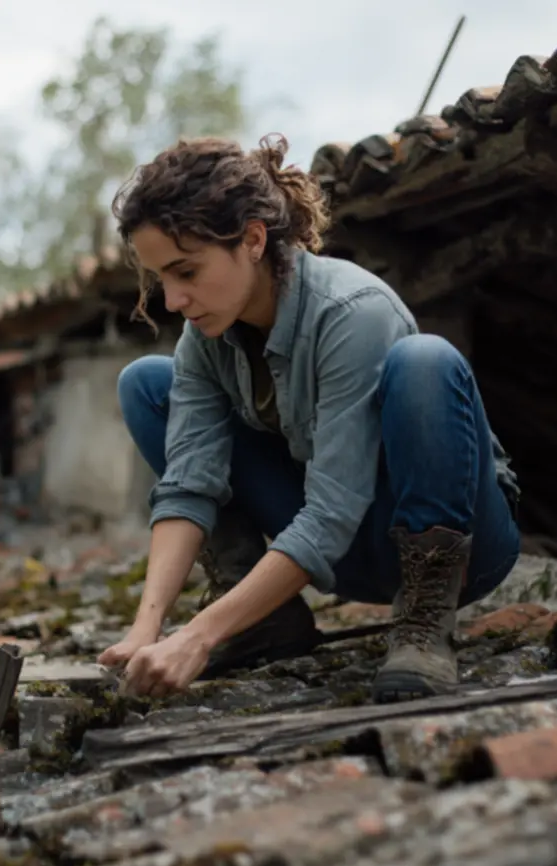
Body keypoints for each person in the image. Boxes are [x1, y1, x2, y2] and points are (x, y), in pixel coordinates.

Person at [96, 133, 522, 703]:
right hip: (345, 555)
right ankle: (264, 622)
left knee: (426, 361)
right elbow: (188, 485)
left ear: (252, 240)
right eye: (161, 280)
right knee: (147, 383)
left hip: (465, 550)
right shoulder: (205, 339)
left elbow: (332, 509)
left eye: (187, 273)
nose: (172, 300)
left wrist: (196, 637)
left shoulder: (352, 312)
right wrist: (145, 631)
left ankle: (424, 622)